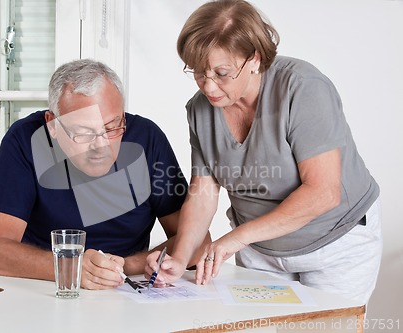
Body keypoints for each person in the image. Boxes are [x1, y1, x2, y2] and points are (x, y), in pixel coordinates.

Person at [146, 0, 382, 304]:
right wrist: (179, 259)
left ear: (254, 59)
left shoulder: (303, 88)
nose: (208, 85)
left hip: (335, 245)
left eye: (221, 72)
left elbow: (323, 192)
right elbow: (204, 193)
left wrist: (237, 237)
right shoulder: (200, 110)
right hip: (261, 251)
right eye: (198, 72)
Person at [0, 59, 208, 290]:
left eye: (111, 127)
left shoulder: (147, 139)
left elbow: (199, 241)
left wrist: (125, 266)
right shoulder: (25, 140)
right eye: (83, 133)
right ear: (52, 125)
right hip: (45, 289)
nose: (101, 146)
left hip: (124, 291)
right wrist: (71, 267)